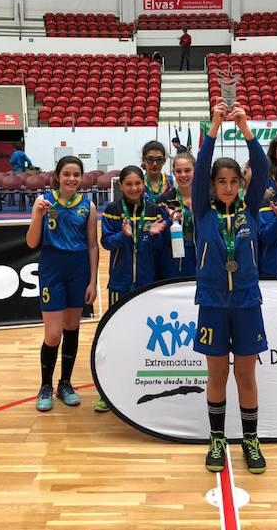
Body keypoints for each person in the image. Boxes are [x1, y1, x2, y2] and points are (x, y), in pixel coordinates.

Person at [193, 99, 269, 474]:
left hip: (246, 301)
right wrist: (214, 125)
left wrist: (243, 127)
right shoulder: (201, 211)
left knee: (246, 375)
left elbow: (265, 168)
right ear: (212, 185)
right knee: (218, 373)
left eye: (233, 181)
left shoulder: (250, 210)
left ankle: (251, 441)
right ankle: (217, 439)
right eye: (221, 181)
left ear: (241, 185)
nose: (227, 186)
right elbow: (199, 170)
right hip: (211, 301)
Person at [26, 156, 98, 412]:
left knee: (72, 328)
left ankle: (65, 384)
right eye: (67, 174)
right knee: (53, 334)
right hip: (52, 268)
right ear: (57, 176)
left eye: (76, 174)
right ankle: (45, 386)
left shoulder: (88, 206)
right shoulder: (45, 203)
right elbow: (32, 242)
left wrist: (93, 281)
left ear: (81, 177)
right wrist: (37, 214)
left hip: (78, 270)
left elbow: (92, 244)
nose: (72, 179)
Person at [97, 166, 167, 412]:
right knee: (116, 338)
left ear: (143, 184)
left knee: (143, 338)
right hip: (120, 283)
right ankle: (109, 389)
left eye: (138, 183)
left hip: (147, 284)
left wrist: (153, 235)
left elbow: (158, 249)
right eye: (129, 184)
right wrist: (124, 236)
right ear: (121, 186)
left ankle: (140, 385)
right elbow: (106, 242)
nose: (134, 188)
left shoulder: (154, 210)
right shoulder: (113, 211)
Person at [158, 152, 198, 278]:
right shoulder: (165, 200)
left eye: (187, 170)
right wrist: (170, 222)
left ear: (195, 171)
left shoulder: (205, 199)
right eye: (178, 171)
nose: (183, 175)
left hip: (200, 258)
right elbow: (160, 238)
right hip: (173, 260)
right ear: (173, 173)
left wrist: (198, 217)